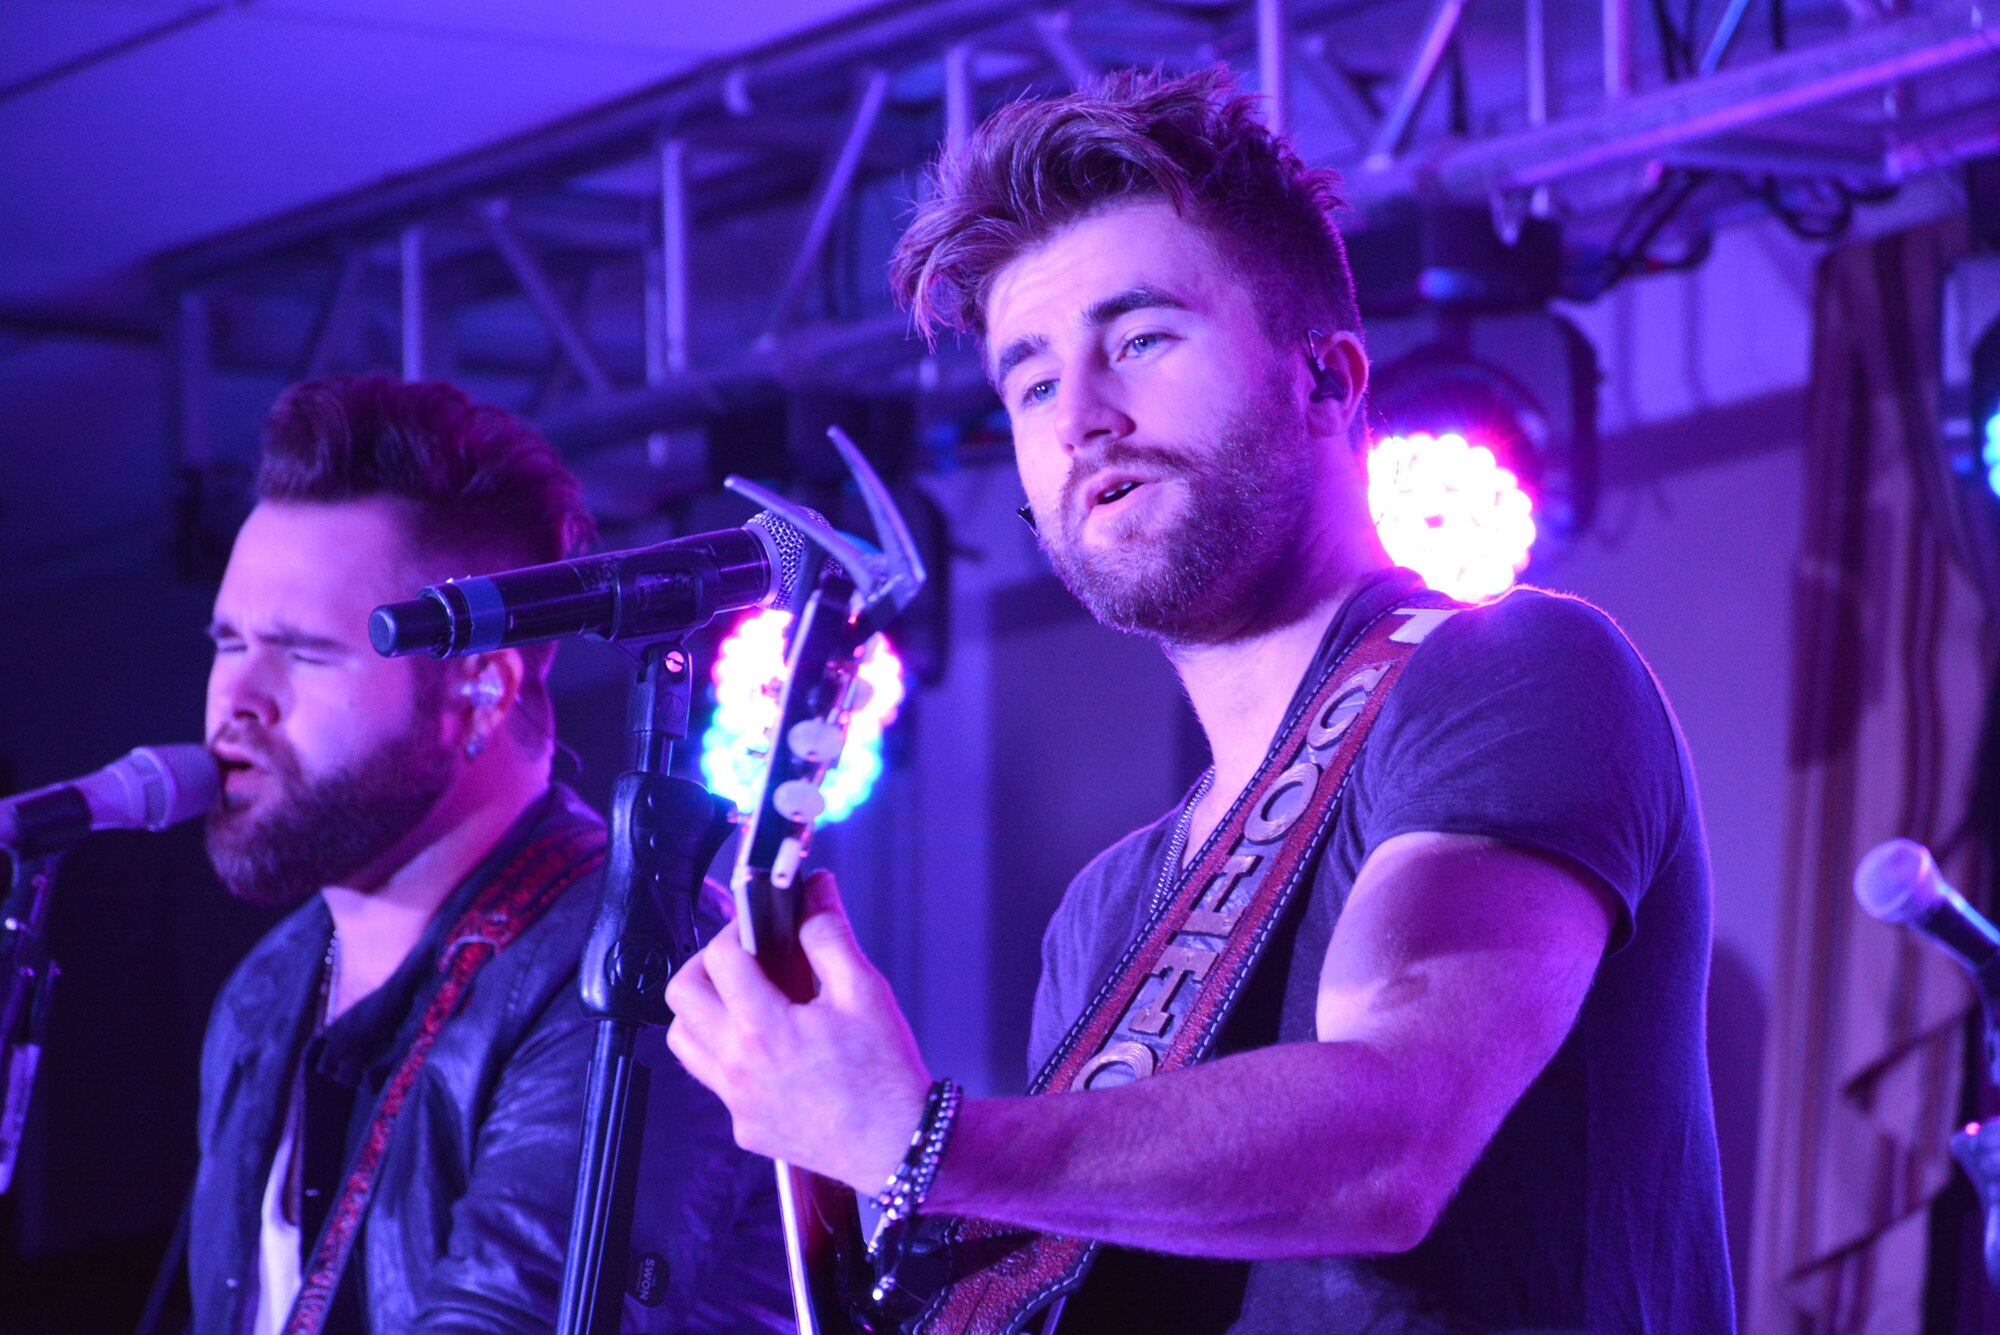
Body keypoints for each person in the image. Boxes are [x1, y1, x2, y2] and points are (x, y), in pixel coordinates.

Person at [663, 67, 1734, 1333]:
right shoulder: (1105, 910)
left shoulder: (1512, 669)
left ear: (1328, 380)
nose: (1085, 420)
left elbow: (1392, 1139)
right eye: (1032, 382)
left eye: (1141, 339)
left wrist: (927, 1142)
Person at [190, 376, 789, 1333]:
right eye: (228, 643)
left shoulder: (648, 959)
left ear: (477, 688)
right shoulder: (266, 990)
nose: (238, 701)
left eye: (303, 654)